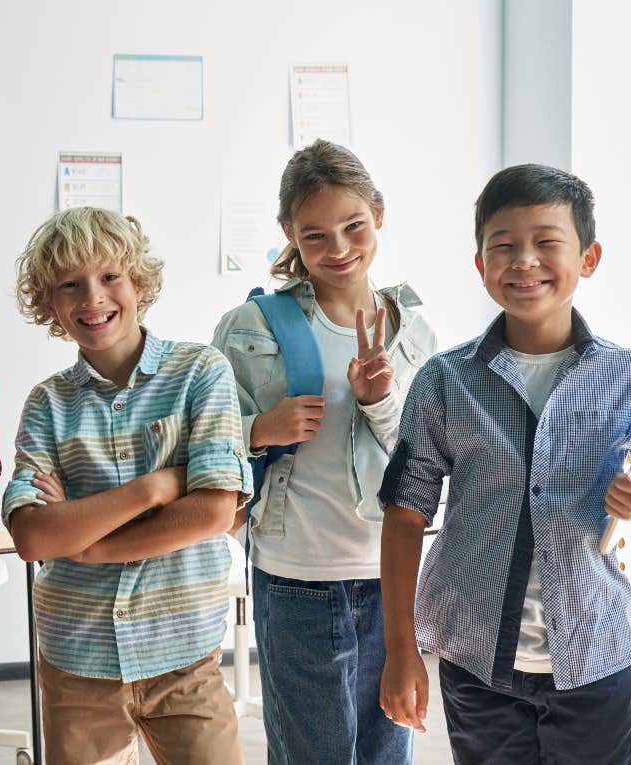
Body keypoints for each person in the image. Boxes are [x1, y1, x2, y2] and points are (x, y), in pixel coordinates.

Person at [379, 163, 631, 763]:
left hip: (595, 654)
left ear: (588, 257)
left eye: (546, 243)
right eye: (503, 246)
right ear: (481, 265)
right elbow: (404, 516)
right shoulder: (445, 381)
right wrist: (401, 650)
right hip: (477, 657)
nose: (524, 261)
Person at [211, 138, 435, 765]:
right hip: (295, 577)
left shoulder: (413, 332)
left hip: (390, 576)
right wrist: (260, 428)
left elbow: (424, 462)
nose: (338, 249)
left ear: (379, 215)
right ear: (289, 233)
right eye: (315, 235)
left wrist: (378, 402)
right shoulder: (252, 327)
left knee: (389, 752)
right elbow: (202, 442)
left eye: (353, 226)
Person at [3, 206, 252, 765]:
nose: (92, 298)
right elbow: (36, 539)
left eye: (109, 277)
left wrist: (89, 541)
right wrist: (155, 488)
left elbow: (214, 511)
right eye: (70, 285)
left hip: (185, 654)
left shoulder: (200, 372)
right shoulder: (47, 403)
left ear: (138, 283)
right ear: (51, 305)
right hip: (77, 658)